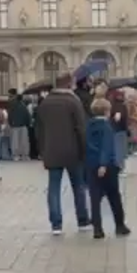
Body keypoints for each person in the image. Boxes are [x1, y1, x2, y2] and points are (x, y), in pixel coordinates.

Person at [36, 74, 91, 235]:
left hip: (51, 151)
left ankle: (56, 224)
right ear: (69, 84)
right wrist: (85, 150)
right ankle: (82, 220)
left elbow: (39, 130)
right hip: (73, 151)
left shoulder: (45, 103)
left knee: (53, 187)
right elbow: (81, 128)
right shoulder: (73, 101)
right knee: (78, 186)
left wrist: (42, 150)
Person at [85, 98, 129, 239]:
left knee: (95, 197)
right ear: (107, 111)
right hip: (108, 166)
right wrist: (104, 164)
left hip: (91, 164)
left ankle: (97, 228)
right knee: (114, 195)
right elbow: (106, 146)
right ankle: (120, 225)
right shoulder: (107, 127)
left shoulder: (88, 126)